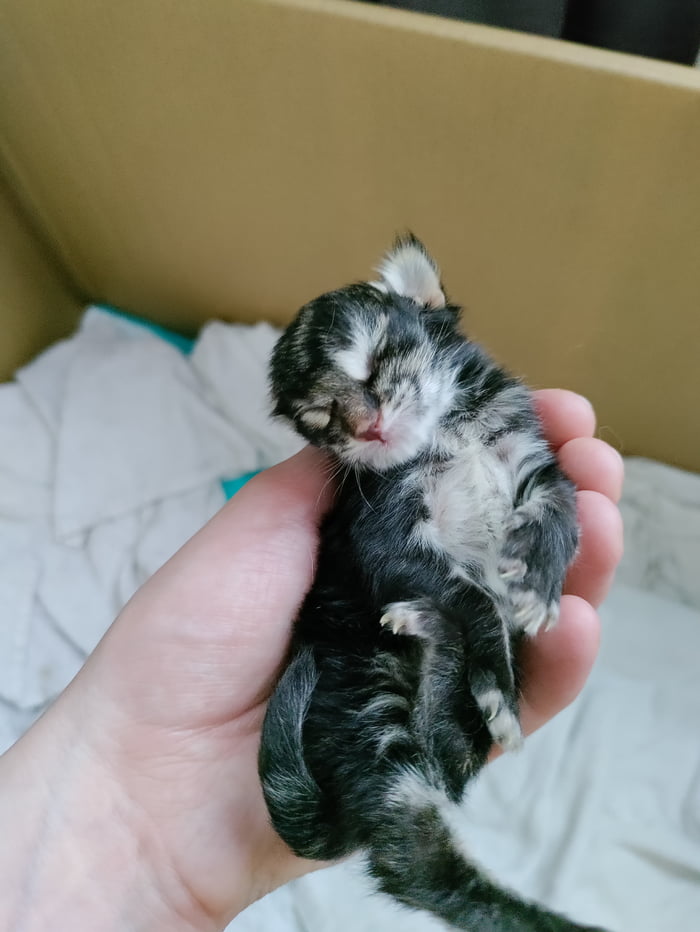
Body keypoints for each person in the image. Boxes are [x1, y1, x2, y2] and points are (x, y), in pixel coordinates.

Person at [0, 389, 623, 932]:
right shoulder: (373, 484)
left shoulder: (473, 420)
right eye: (326, 413)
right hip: (364, 675)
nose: (365, 419)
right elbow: (389, 564)